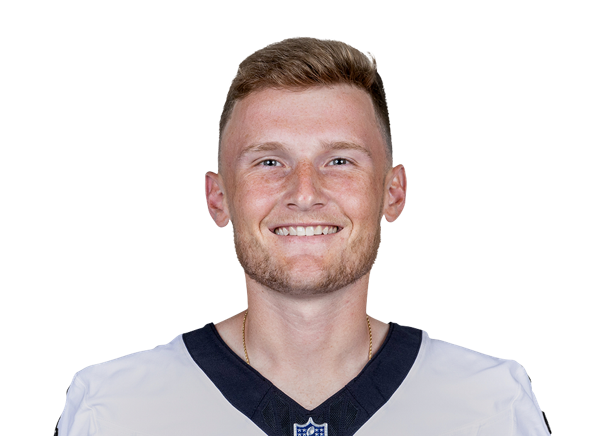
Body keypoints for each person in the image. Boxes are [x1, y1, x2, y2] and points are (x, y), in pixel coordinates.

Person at [56, 37, 551, 435]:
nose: (305, 193)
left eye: (340, 160)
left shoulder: (492, 402)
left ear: (393, 193)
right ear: (218, 198)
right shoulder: (113, 406)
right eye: (270, 161)